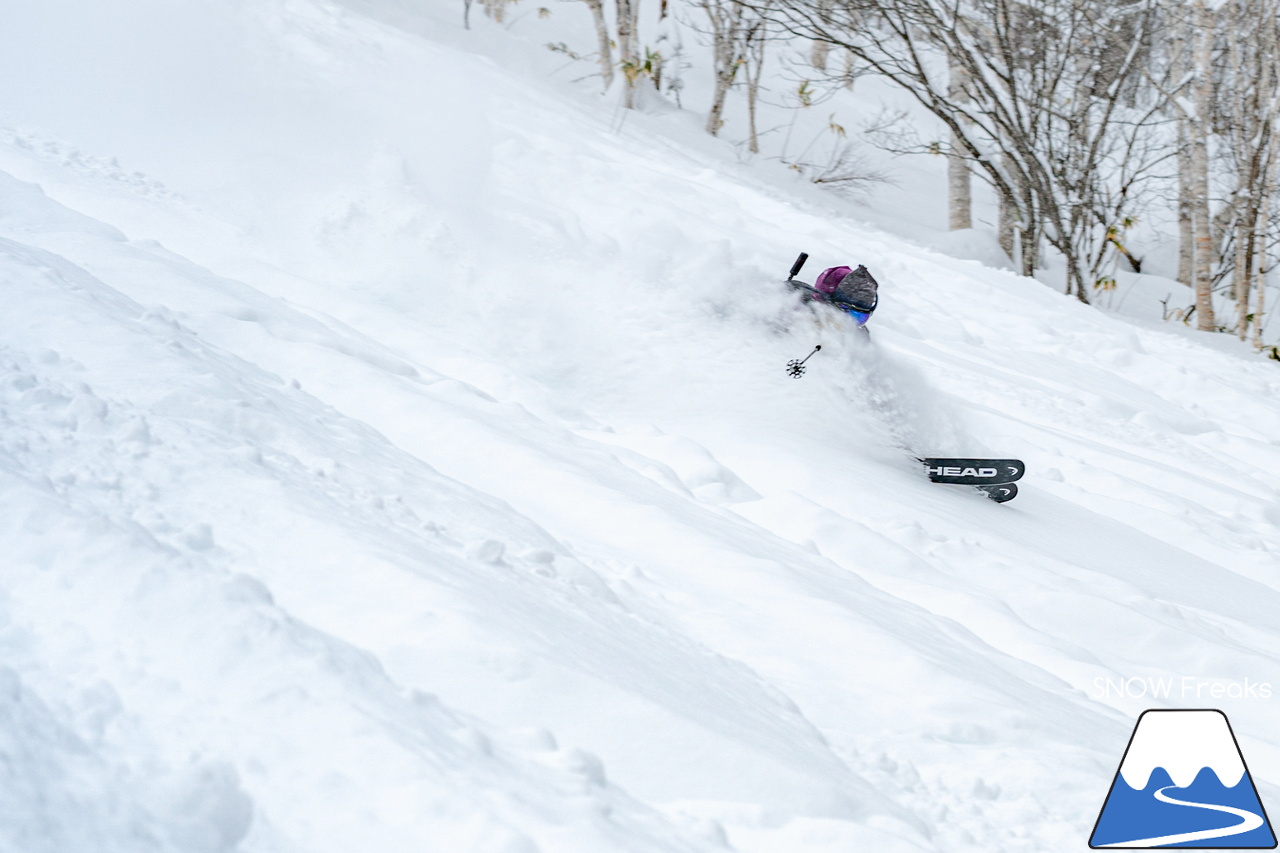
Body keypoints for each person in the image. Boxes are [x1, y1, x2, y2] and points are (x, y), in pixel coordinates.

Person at [788, 260, 880, 327]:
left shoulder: (857, 337)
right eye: (850, 314)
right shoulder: (794, 314)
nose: (850, 323)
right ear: (827, 303)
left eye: (861, 318)